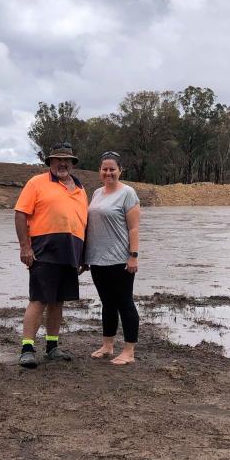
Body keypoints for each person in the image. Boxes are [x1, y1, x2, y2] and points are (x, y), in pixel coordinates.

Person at [14, 142, 88, 368]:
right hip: (43, 250)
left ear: (73, 164)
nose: (62, 163)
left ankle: (52, 346)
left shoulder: (80, 188)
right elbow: (20, 214)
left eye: (67, 160)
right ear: (50, 162)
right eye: (58, 160)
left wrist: (84, 255)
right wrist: (25, 246)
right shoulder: (36, 183)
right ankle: (27, 348)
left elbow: (83, 223)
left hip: (71, 253)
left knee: (58, 301)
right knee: (39, 299)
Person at [85, 151, 140, 365]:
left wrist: (133, 256)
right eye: (104, 169)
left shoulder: (128, 193)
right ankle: (107, 345)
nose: (108, 173)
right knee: (107, 303)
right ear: (100, 171)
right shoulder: (97, 193)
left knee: (125, 303)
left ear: (120, 170)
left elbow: (134, 229)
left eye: (112, 169)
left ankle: (129, 351)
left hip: (120, 259)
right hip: (98, 259)